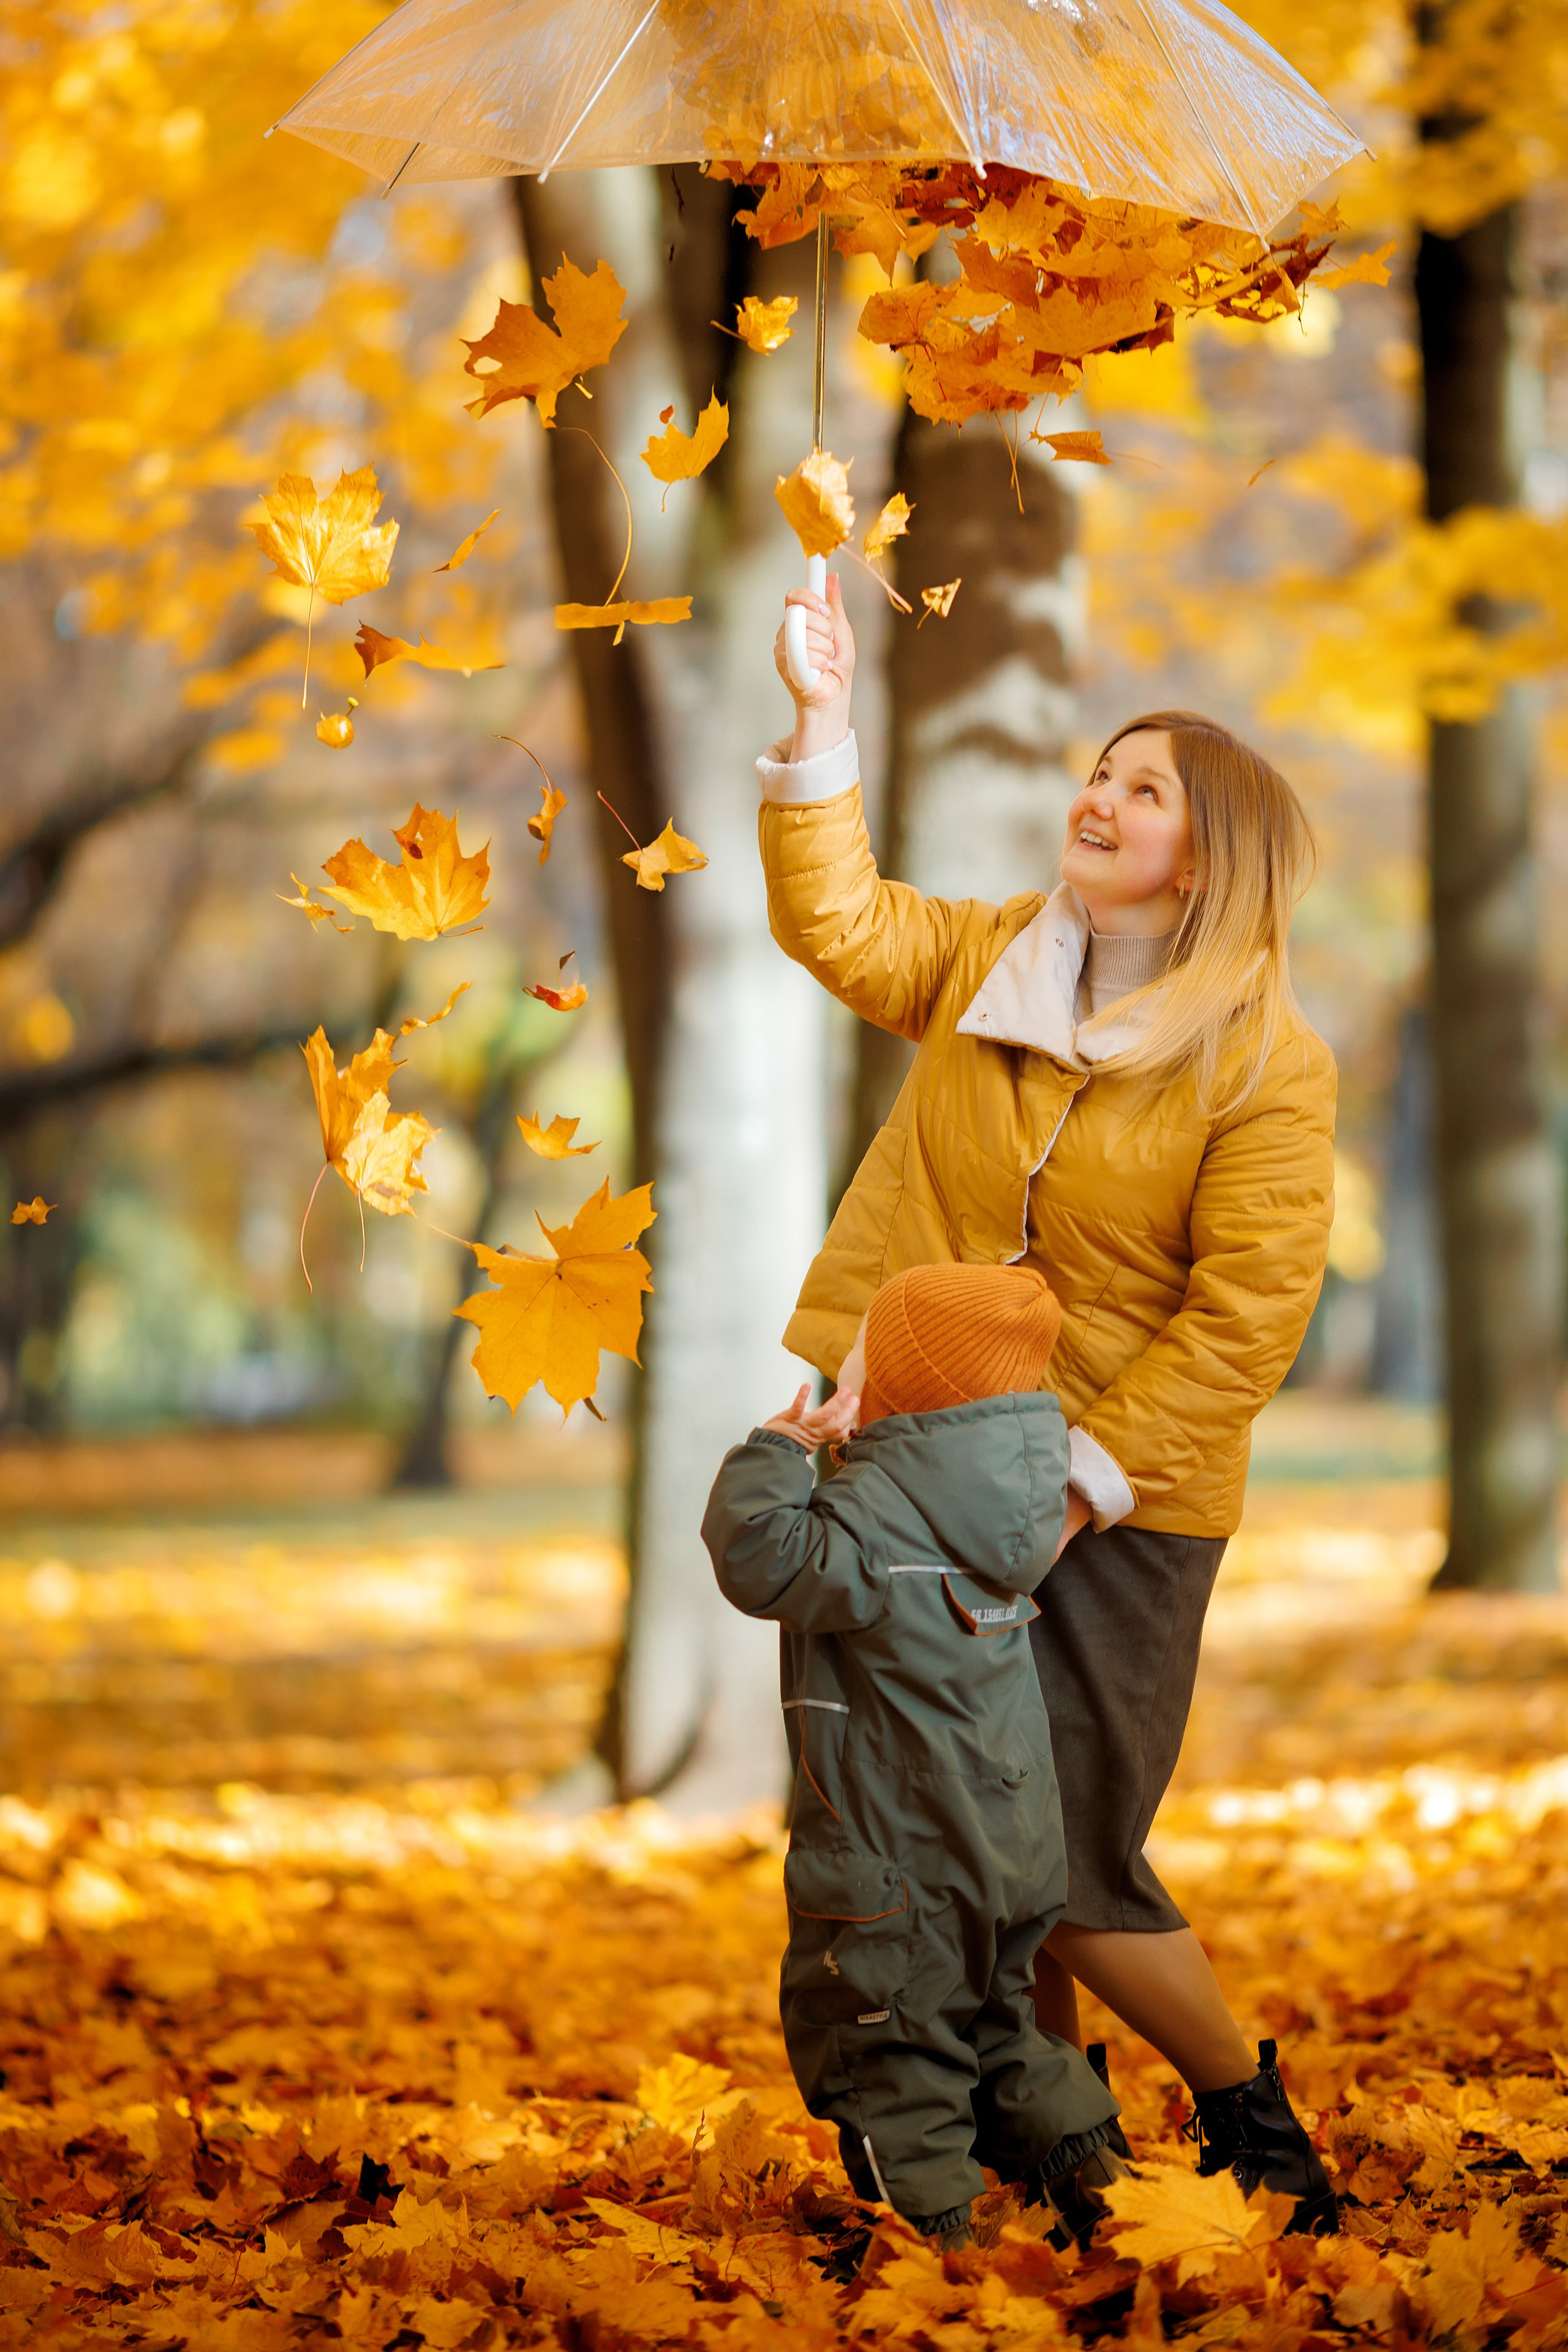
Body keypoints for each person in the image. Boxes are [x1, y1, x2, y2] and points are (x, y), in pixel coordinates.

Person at [753, 574, 1338, 2233]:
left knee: (1067, 1859)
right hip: (913, 1464)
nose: (1100, 794)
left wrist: (1078, 1483)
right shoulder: (999, 959)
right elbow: (841, 925)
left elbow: (1246, 1319)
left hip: (1119, 1507)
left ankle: (1258, 2135)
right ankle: (1073, 2173)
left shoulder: (1266, 1065)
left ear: (1206, 855)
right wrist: (819, 728)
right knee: (966, 1863)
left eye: (1145, 786)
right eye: (1103, 766)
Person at [702, 1261, 1123, 2255]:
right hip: (1011, 1851)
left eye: (862, 1355)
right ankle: (1108, 2195)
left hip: (899, 1860)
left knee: (891, 2052)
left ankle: (938, 2256)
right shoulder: (1017, 1507)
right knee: (1001, 2031)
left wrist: (776, 1445)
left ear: (897, 1387)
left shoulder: (874, 1517)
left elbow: (759, 1555)